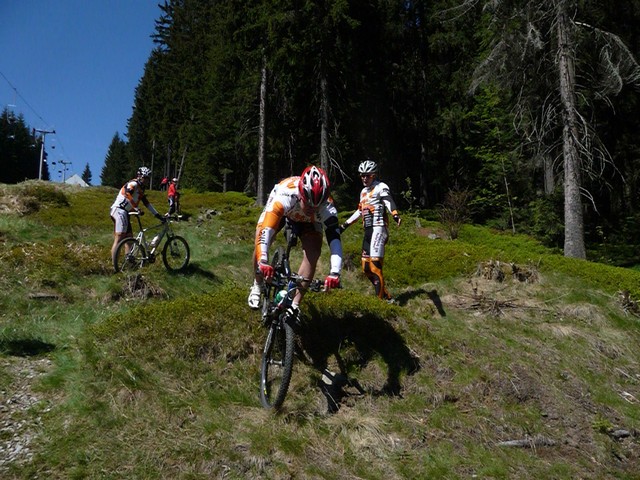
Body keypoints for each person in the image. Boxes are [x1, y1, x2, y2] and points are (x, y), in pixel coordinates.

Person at [248, 165, 343, 318]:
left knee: (313, 253)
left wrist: (335, 272)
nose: (313, 208)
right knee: (262, 238)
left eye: (317, 205)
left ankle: (294, 304)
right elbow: (265, 231)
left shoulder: (328, 208)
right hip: (287, 211)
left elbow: (335, 241)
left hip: (309, 222)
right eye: (309, 203)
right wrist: (263, 261)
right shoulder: (285, 195)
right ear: (301, 195)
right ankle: (257, 284)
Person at [340, 159, 401, 302]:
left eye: (367, 175)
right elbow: (360, 211)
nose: (364, 178)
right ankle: (385, 296)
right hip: (367, 232)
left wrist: (395, 214)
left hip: (379, 229)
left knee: (375, 267)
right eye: (362, 175)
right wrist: (344, 225)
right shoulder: (363, 192)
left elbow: (388, 200)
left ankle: (380, 303)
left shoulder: (381, 187)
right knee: (366, 268)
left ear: (373, 175)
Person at [109, 166, 165, 259]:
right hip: (119, 210)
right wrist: (136, 208)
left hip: (125, 213)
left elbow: (147, 203)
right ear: (140, 176)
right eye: (145, 178)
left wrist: (157, 215)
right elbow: (127, 194)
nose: (146, 180)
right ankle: (114, 267)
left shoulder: (141, 189)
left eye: (148, 178)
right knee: (119, 238)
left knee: (129, 239)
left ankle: (129, 261)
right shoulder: (133, 184)